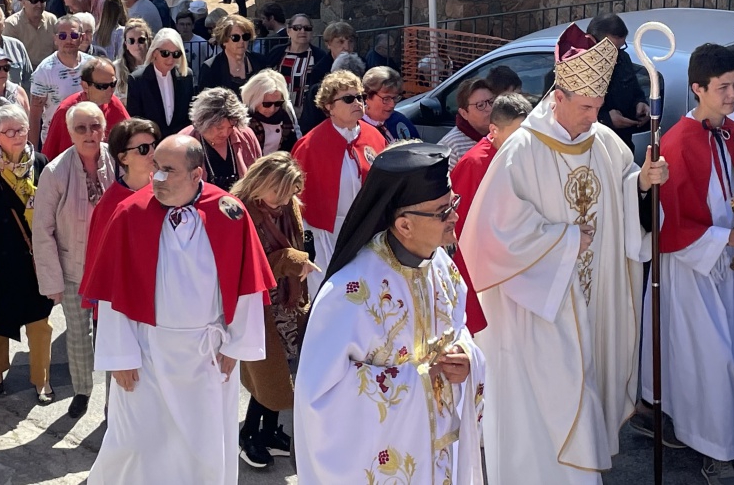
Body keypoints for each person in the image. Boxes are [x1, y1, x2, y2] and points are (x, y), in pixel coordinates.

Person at [459, 23, 669, 484]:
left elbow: (623, 191)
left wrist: (642, 183)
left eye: (598, 106)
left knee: (589, 392)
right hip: (538, 312)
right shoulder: (521, 150)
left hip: (594, 300)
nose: (594, 116)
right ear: (558, 97)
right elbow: (492, 236)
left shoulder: (605, 142)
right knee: (547, 412)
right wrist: (566, 240)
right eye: (586, 107)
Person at [79, 134, 273, 484]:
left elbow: (247, 284)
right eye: (156, 167)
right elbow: (113, 292)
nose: (157, 177)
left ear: (197, 174)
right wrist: (120, 355)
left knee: (203, 445)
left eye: (169, 170)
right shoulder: (131, 213)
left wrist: (236, 345)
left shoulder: (228, 213)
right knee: (136, 443)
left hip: (208, 355)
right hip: (147, 352)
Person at [294, 142, 486, 484]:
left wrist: (467, 358)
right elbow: (319, 397)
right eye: (442, 211)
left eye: (453, 204)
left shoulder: (442, 265)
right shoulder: (351, 292)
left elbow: (458, 328)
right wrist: (420, 382)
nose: (455, 217)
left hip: (439, 454)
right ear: (404, 225)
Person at [636, 44, 734, 484]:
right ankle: (714, 450)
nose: (733, 95)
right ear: (698, 89)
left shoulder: (733, 133)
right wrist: (725, 238)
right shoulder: (675, 143)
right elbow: (666, 225)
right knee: (712, 362)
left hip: (728, 266)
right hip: (691, 270)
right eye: (723, 87)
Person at [32, 102, 115, 420]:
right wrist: (52, 282)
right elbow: (42, 231)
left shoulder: (118, 161)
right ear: (70, 132)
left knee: (114, 337)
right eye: (81, 128)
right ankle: (82, 391)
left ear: (104, 128)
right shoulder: (55, 172)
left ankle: (114, 402)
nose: (89, 134)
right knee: (79, 336)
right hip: (72, 270)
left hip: (111, 270)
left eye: (95, 126)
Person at [230, 153, 313, 468]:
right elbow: (246, 264)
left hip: (287, 301)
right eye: (278, 191)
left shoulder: (288, 206)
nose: (284, 199)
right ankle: (249, 435)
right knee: (266, 374)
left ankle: (270, 431)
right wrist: (291, 260)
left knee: (284, 367)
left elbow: (296, 243)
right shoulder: (240, 213)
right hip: (258, 305)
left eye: (290, 192)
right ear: (260, 182)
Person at [0, 103, 53, 404]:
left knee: (40, 322)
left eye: (21, 129)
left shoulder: (42, 164)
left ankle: (42, 379)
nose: (17, 136)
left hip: (35, 261)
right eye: (9, 131)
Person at [290, 70, 386, 298]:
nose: (358, 103)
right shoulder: (310, 145)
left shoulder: (374, 137)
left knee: (367, 290)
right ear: (329, 106)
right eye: (348, 98)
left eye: (360, 97)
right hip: (325, 232)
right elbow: (296, 196)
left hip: (366, 229)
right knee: (330, 292)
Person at [449, 92, 532, 335]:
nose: (525, 141)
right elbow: (460, 225)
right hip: (484, 266)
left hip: (514, 258)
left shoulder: (524, 155)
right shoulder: (474, 163)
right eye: (517, 134)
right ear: (494, 130)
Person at [82, 119, 160, 301]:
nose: (152, 153)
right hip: (127, 294)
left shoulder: (166, 190)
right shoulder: (111, 204)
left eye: (154, 145)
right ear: (124, 158)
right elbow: (101, 262)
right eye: (143, 149)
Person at [42, 58, 129, 160]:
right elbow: (49, 154)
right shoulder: (67, 111)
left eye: (113, 84)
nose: (110, 90)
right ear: (85, 86)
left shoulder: (114, 103)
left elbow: (130, 137)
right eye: (102, 86)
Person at [179, 87, 262, 191]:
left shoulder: (245, 135)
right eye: (219, 127)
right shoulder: (184, 142)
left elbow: (259, 175)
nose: (225, 133)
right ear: (203, 121)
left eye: (231, 126)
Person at [29, 16, 94, 146]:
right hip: (55, 141)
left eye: (74, 35)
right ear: (55, 39)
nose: (69, 40)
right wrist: (34, 151)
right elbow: (35, 115)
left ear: (82, 37)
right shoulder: (44, 71)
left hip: (89, 138)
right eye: (63, 36)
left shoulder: (92, 65)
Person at [586, 13, 649, 142]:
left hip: (623, 142)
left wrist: (641, 104)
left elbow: (635, 91)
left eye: (619, 49)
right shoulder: (576, 69)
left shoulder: (623, 59)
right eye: (610, 50)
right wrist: (605, 119)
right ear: (593, 42)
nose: (615, 56)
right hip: (593, 143)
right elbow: (567, 113)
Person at [125, 28, 194, 137]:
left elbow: (190, 114)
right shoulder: (138, 80)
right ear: (154, 53)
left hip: (180, 142)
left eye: (176, 54)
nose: (171, 59)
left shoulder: (186, 76)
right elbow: (135, 121)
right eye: (165, 53)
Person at [265, 13, 331, 115]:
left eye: (307, 28)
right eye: (297, 28)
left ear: (312, 33)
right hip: (278, 111)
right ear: (288, 31)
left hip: (309, 114)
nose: (302, 31)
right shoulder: (277, 52)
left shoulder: (320, 56)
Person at [438, 78, 495, 171]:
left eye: (491, 102)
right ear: (464, 113)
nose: (489, 109)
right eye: (480, 105)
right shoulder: (450, 147)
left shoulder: (502, 134)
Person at [201, 13, 263, 94]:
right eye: (235, 37)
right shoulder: (211, 67)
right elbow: (205, 99)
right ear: (224, 40)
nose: (242, 41)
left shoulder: (259, 61)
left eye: (246, 36)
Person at [243, 69, 299, 155]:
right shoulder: (242, 119)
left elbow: (296, 142)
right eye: (267, 104)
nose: (272, 109)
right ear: (253, 100)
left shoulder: (286, 112)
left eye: (278, 103)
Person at [361, 66, 418, 143]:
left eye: (395, 98)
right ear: (367, 97)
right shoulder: (355, 127)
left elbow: (418, 148)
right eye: (386, 98)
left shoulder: (399, 120)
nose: (392, 105)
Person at [4, 0, 58, 65]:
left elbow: (58, 48)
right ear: (23, 2)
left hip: (50, 69)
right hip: (24, 70)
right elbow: (11, 56)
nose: (39, 5)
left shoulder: (52, 20)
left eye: (42, 1)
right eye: (34, 1)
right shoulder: (12, 24)